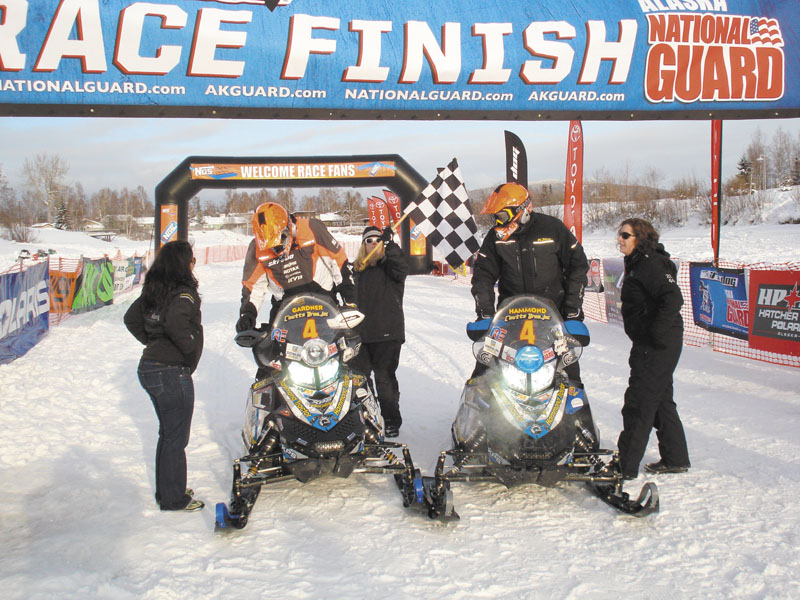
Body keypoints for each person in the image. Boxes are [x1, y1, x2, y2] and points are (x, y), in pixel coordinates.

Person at [470, 182, 589, 382]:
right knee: (486, 368)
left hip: (553, 316)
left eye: (502, 216)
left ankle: (574, 410)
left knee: (567, 370)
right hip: (510, 315)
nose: (498, 222)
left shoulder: (553, 229)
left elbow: (578, 266)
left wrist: (572, 311)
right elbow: (483, 276)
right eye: (496, 217)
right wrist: (486, 314)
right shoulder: (495, 238)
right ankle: (479, 409)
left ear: (522, 209)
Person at [124, 240, 204, 512]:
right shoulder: (184, 293)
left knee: (168, 433)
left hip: (150, 368)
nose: (194, 264)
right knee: (176, 437)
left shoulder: (154, 290)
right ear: (183, 264)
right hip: (171, 372)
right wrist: (189, 346)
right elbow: (175, 322)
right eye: (192, 260)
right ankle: (173, 499)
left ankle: (168, 491)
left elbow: (131, 319)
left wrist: (152, 341)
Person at [236, 203, 356, 376]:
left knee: (348, 361)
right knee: (269, 369)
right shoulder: (256, 248)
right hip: (285, 311)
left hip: (324, 305)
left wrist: (349, 297)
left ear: (288, 226)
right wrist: (248, 314)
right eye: (270, 247)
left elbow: (338, 261)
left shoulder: (311, 228)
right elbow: (253, 286)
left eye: (280, 242)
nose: (276, 250)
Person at [616, 218, 690, 479]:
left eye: (626, 235)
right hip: (650, 341)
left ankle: (625, 465)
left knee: (640, 402)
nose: (620, 240)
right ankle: (675, 457)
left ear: (640, 238)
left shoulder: (650, 263)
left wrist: (655, 334)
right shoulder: (638, 261)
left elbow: (673, 297)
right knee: (660, 400)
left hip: (657, 343)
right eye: (620, 235)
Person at [350, 225, 409, 438]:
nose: (373, 244)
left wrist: (390, 244)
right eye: (369, 241)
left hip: (387, 333)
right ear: (363, 245)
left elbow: (402, 266)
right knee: (360, 381)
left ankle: (392, 419)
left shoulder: (390, 268)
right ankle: (367, 417)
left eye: (377, 240)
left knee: (384, 380)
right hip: (359, 334)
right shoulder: (354, 271)